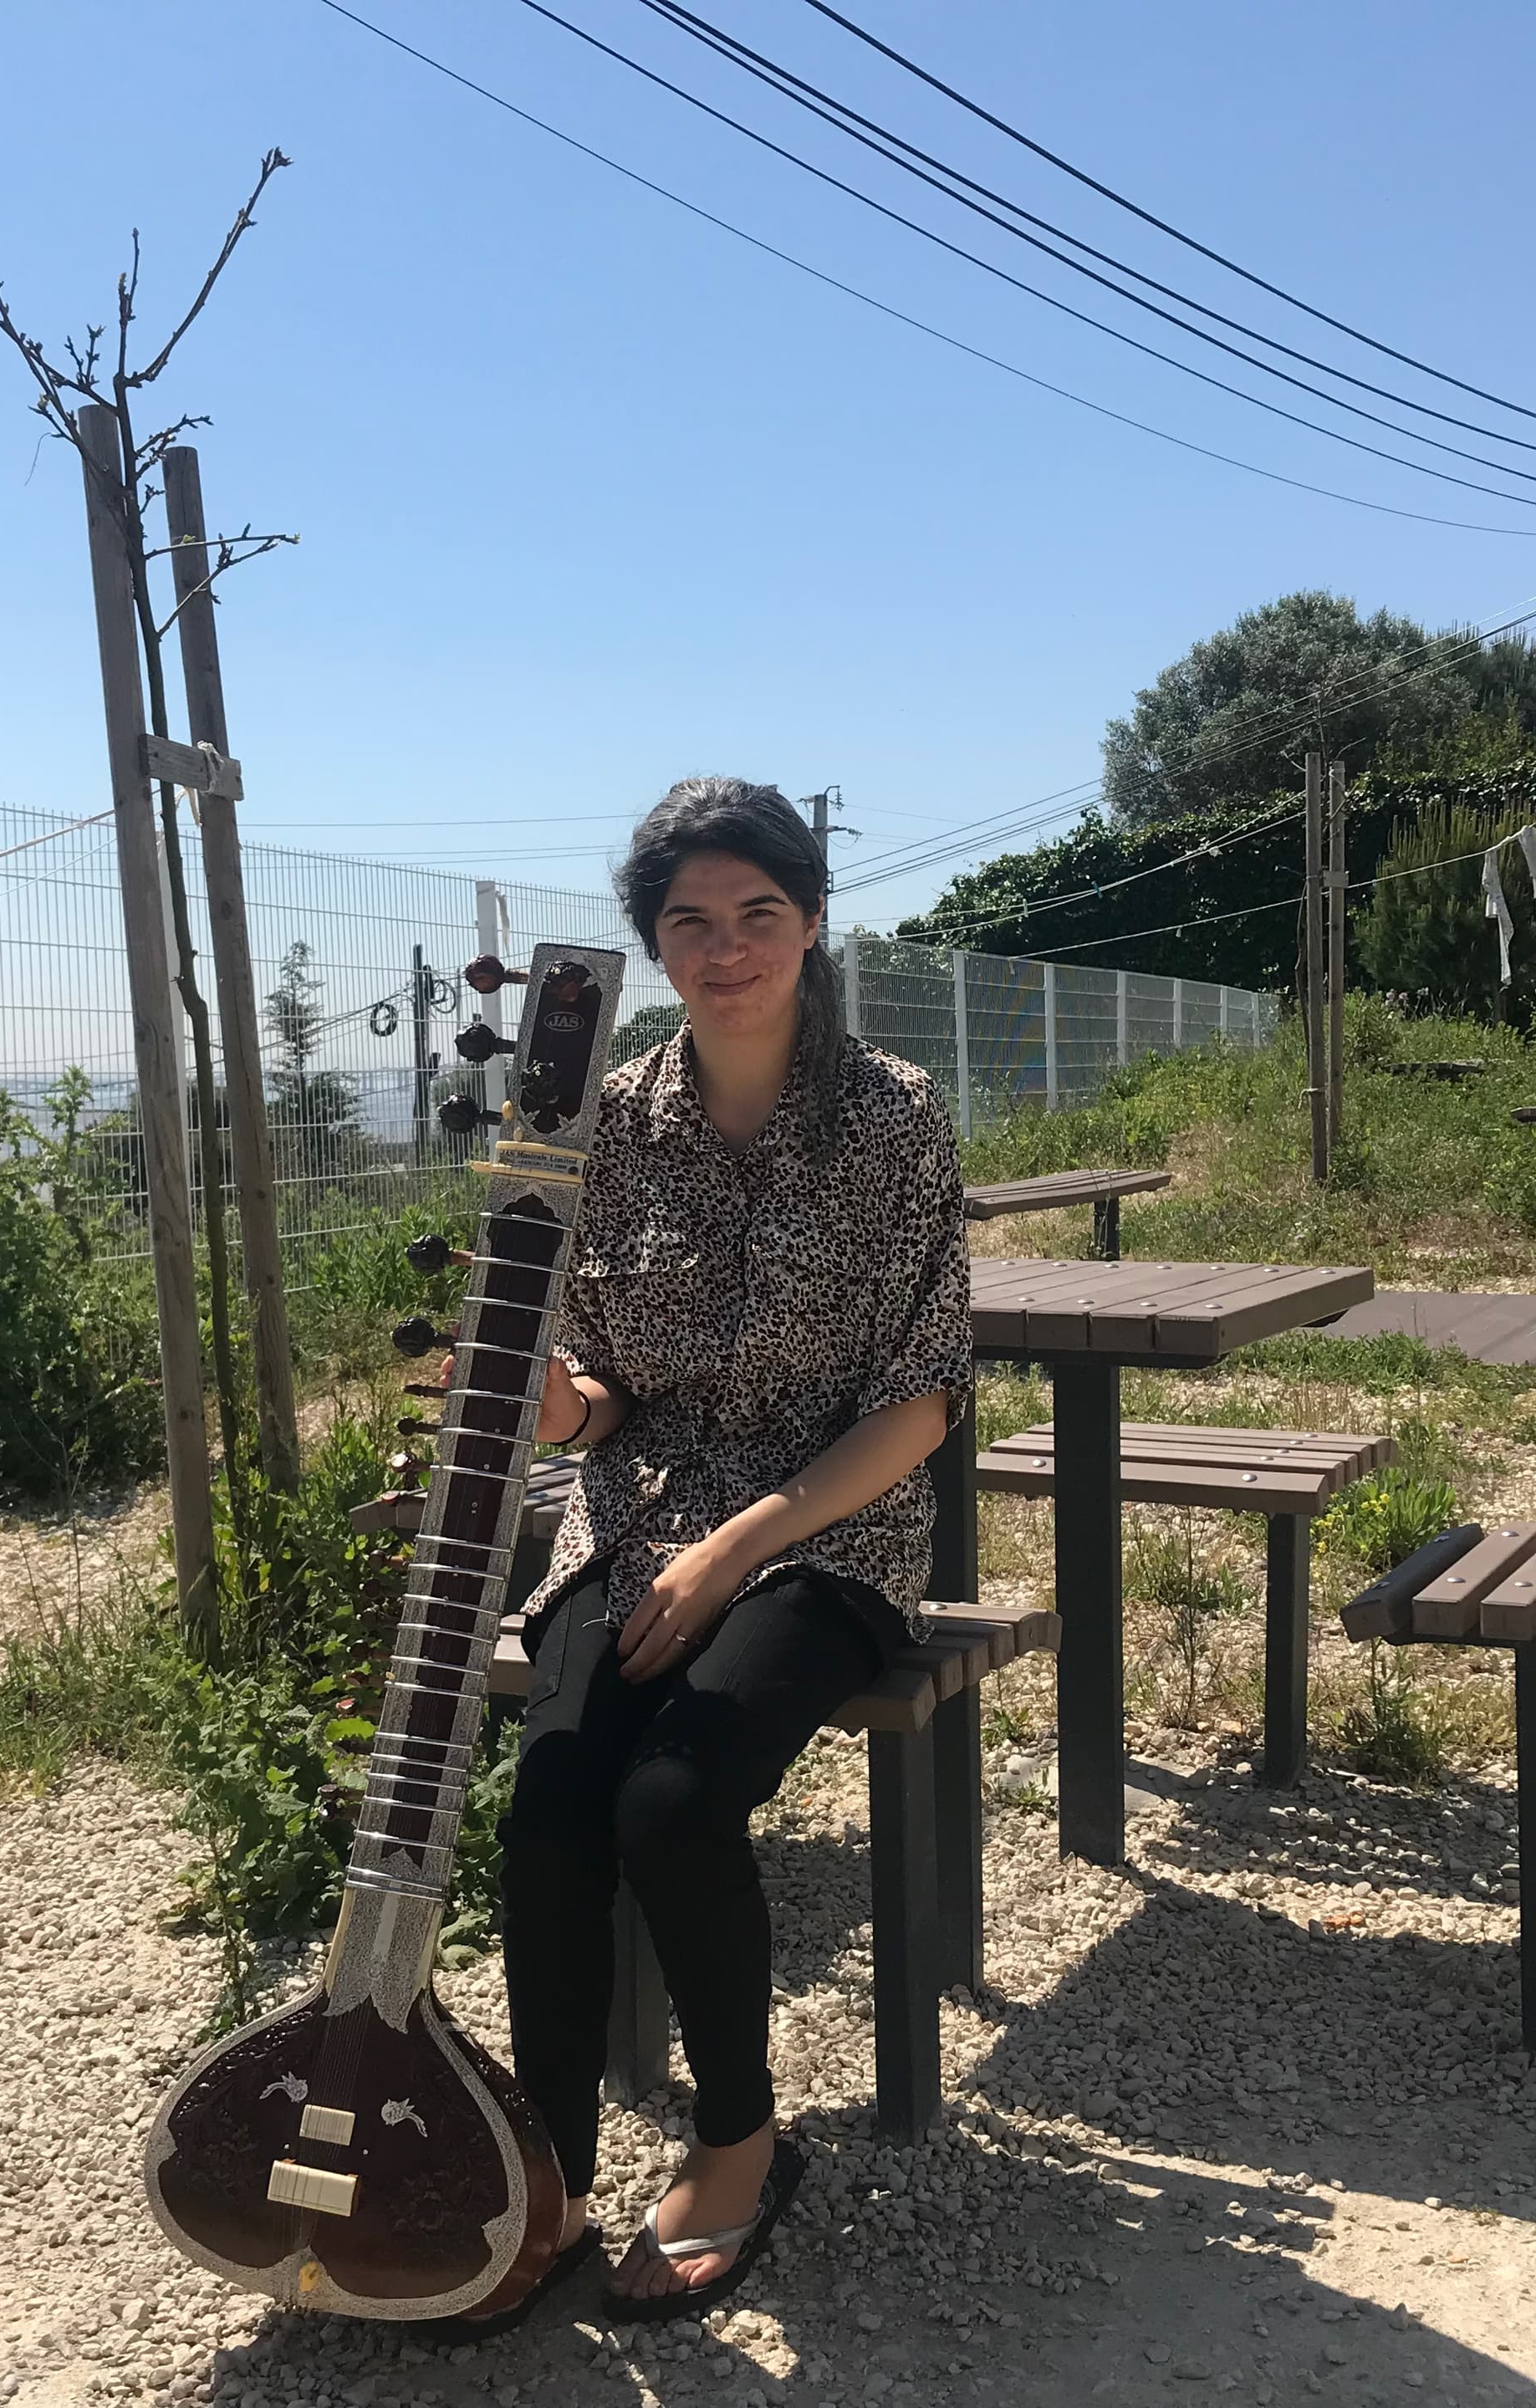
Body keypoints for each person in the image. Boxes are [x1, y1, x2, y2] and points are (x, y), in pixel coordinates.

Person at [494, 775, 971, 2321]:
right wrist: (554, 1403)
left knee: (673, 1804)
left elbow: (920, 1406)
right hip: (635, 1515)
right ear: (651, 947)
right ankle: (550, 2172)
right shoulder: (609, 1123)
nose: (726, 947)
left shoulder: (892, 1115)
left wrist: (734, 1556)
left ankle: (741, 2140)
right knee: (551, 1811)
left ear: (812, 922)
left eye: (757, 913)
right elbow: (605, 1391)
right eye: (689, 921)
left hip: (833, 1528)